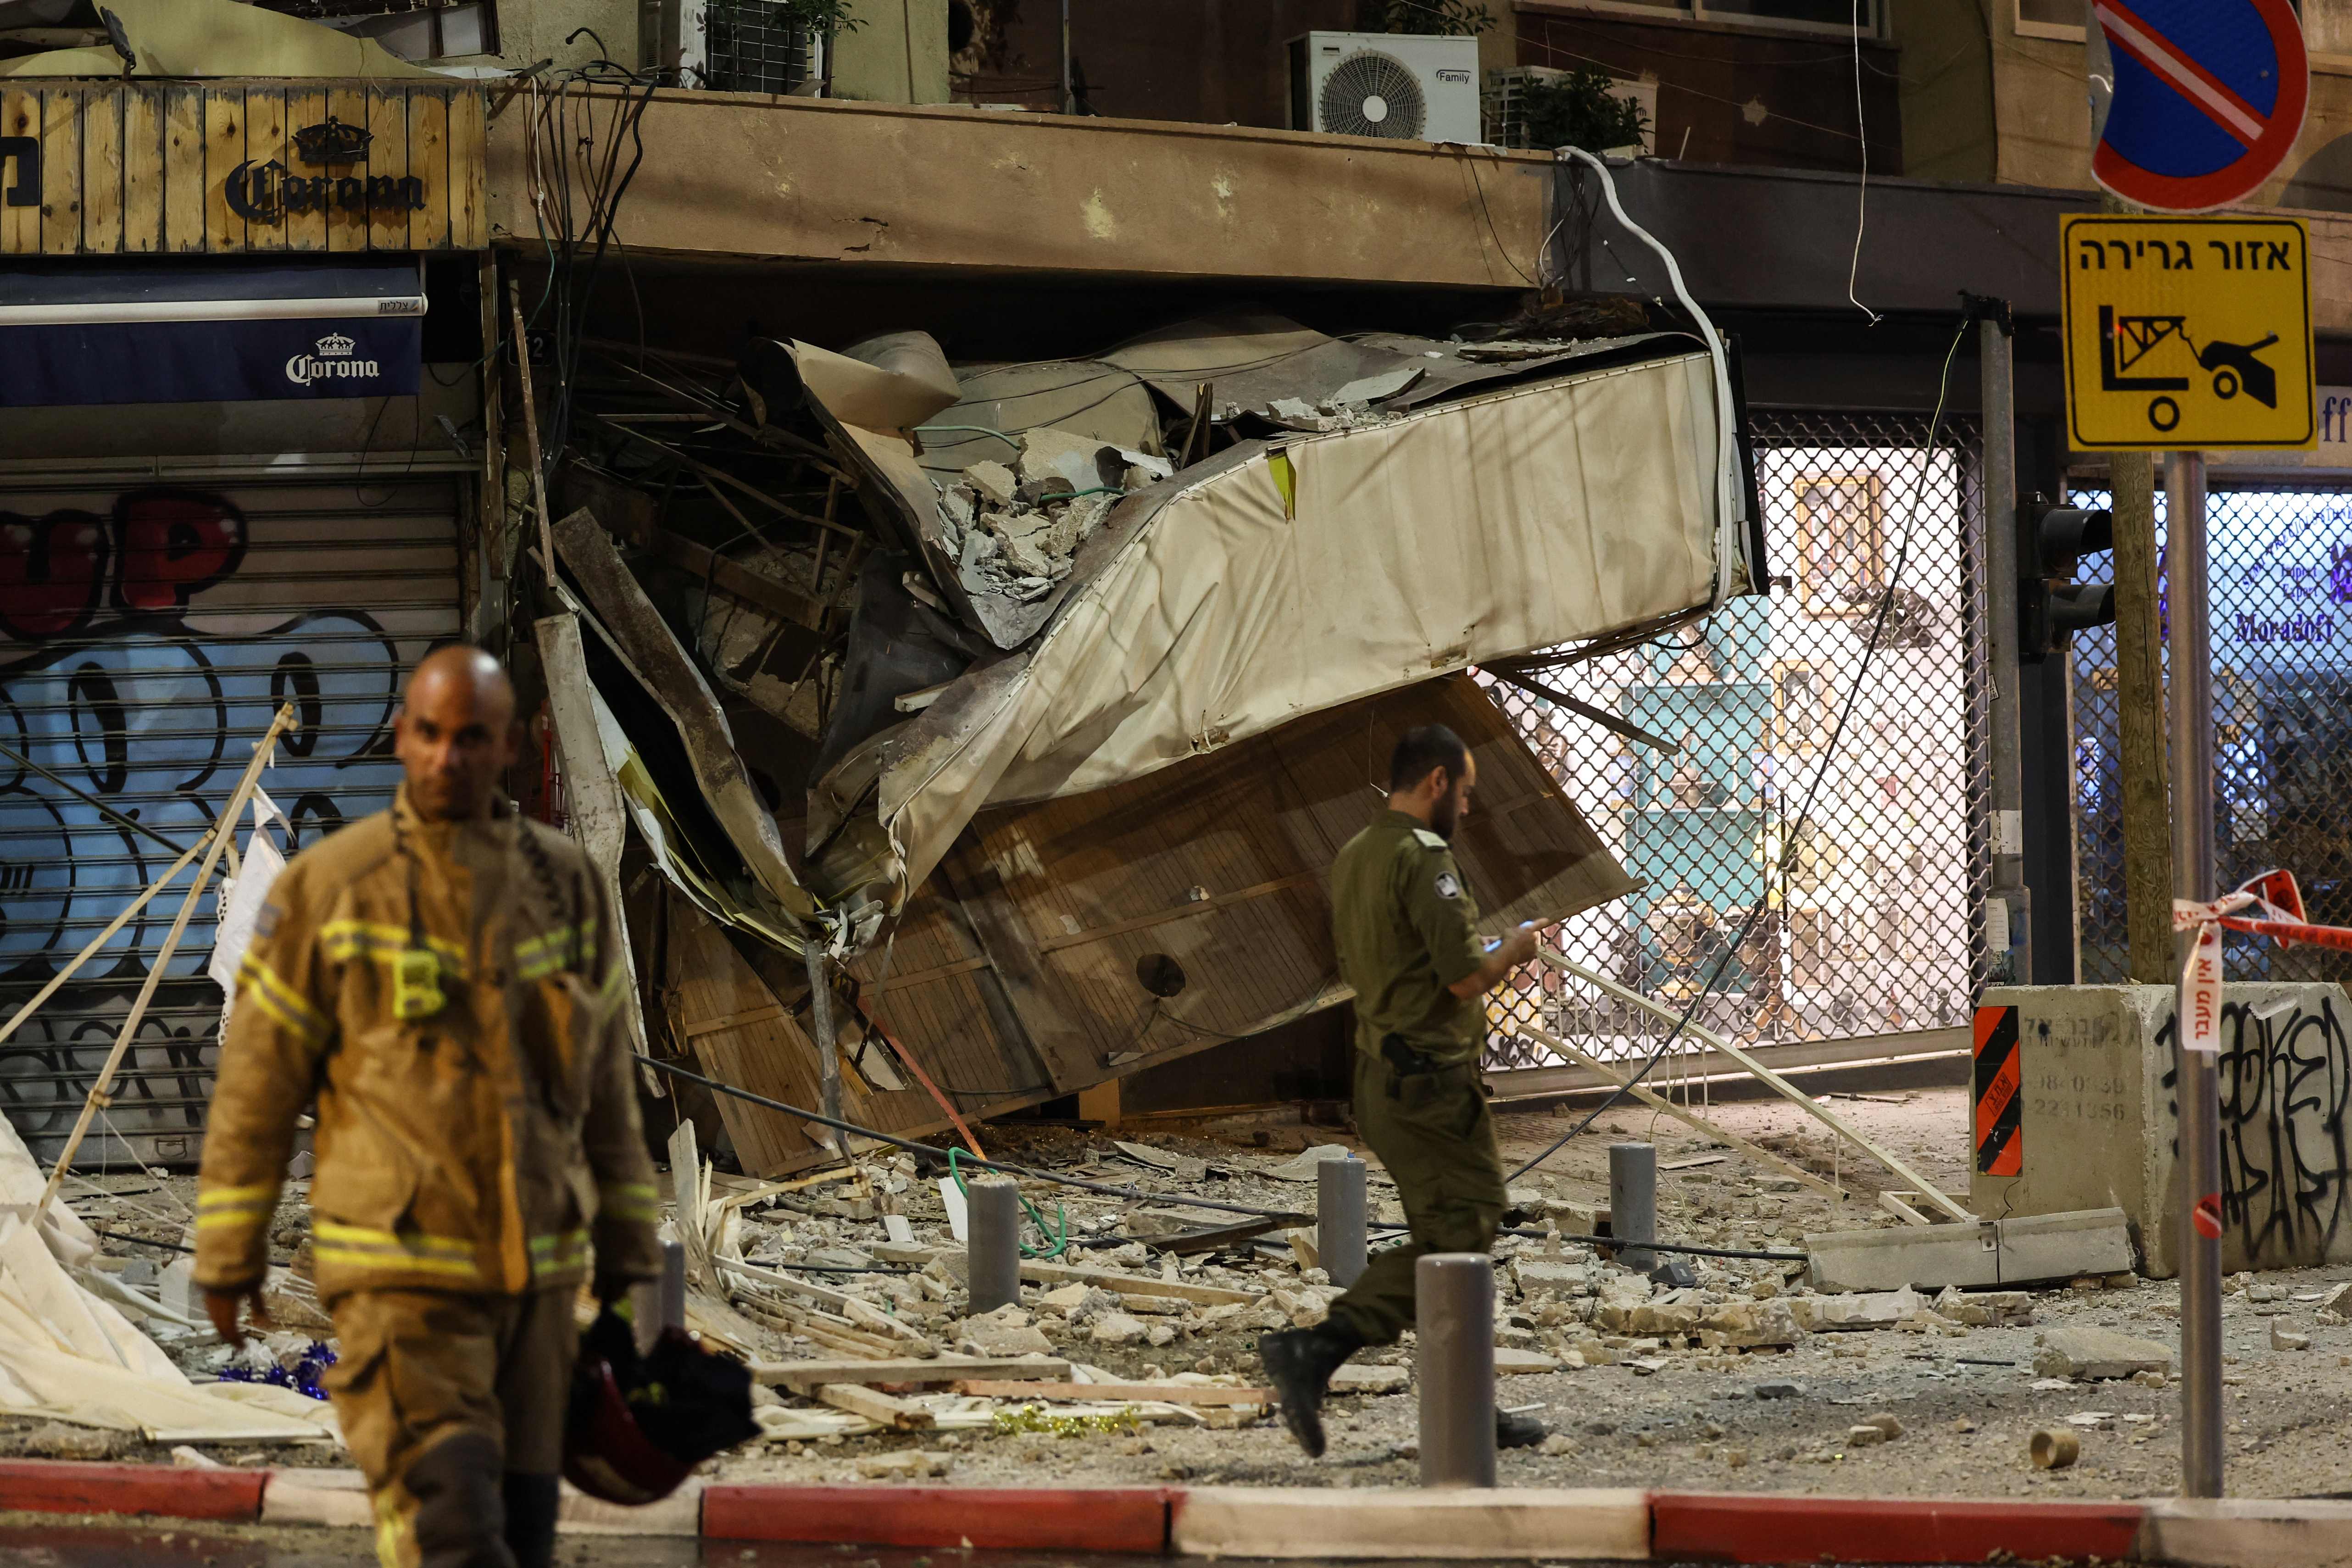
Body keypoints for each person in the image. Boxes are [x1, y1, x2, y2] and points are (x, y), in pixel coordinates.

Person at [195, 645, 662, 1568]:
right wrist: (227, 1246)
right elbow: (258, 1085)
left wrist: (629, 1242)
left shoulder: (564, 882)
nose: (450, 756)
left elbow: (605, 1080)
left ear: (515, 746)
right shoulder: (331, 887)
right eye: (433, 734)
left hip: (534, 1265)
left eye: (473, 737)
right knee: (450, 1515)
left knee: (525, 1517)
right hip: (394, 1266)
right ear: (404, 736)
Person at [1260, 723, 1545, 1458]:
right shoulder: (1425, 859)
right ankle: (1321, 1348)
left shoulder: (1357, 855)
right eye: (1469, 793)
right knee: (1465, 1229)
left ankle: (1460, 1402)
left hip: (1383, 1074)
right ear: (1439, 782)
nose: (1470, 810)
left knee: (1453, 1233)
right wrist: (1515, 947)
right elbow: (1461, 977)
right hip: (1430, 1084)